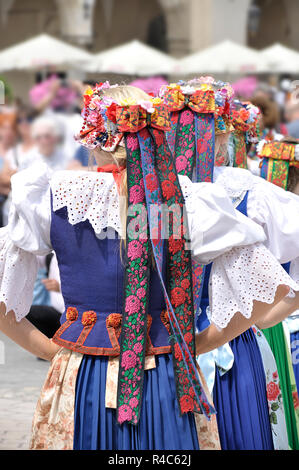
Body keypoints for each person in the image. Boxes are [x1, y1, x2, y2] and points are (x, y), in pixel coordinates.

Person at [0, 83, 298, 451]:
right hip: (165, 372)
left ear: (93, 140)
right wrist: (202, 344)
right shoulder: (185, 201)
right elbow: (273, 291)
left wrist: (51, 351)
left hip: (80, 373)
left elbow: (2, 301)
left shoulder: (52, 196)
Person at [161, 77, 299, 450]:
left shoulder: (141, 190)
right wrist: (272, 308)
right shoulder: (246, 189)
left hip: (161, 351)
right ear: (223, 139)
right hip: (225, 342)